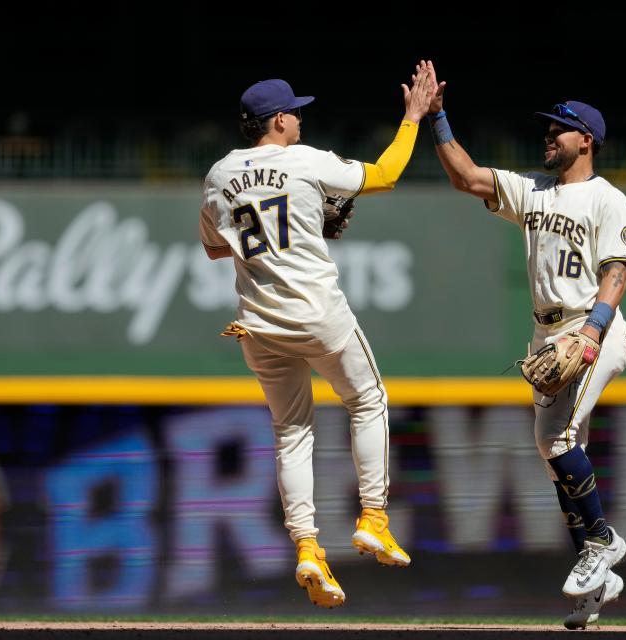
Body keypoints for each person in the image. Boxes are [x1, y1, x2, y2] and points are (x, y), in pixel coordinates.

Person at [422, 60, 626, 629]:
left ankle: (602, 543)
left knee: (557, 439)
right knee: (555, 458)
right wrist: (438, 117)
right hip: (548, 333)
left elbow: (618, 273)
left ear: (587, 140)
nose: (548, 134)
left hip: (592, 326)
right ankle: (598, 577)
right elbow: (467, 177)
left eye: (559, 128)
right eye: (547, 127)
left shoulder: (608, 200)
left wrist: (596, 330)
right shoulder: (534, 191)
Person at [199, 65, 433, 608]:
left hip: (259, 323)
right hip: (318, 315)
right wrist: (411, 118)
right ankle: (374, 515)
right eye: (295, 113)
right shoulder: (304, 159)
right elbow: (385, 174)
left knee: (291, 433)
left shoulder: (218, 174)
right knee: (369, 401)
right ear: (277, 120)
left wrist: (299, 222)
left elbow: (216, 248)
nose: (300, 120)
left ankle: (307, 547)